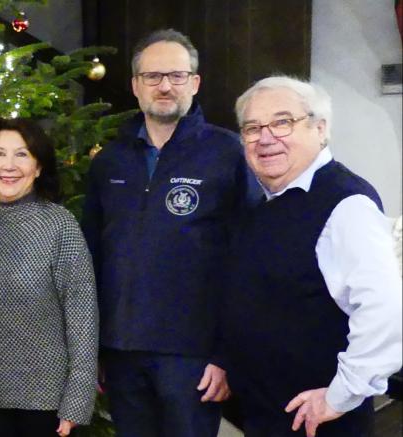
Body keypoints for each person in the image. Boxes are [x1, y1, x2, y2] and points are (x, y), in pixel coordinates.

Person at [79, 29, 259, 437]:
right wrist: (93, 350)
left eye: (177, 76)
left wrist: (226, 354)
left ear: (194, 83)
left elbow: (247, 261)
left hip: (193, 355)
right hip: (121, 350)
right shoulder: (110, 162)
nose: (165, 86)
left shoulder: (228, 154)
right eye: (153, 76)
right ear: (135, 86)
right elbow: (91, 257)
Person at [224, 76, 402, 437]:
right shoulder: (268, 202)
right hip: (270, 413)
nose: (265, 137)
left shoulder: (347, 204)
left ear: (320, 129)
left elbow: (385, 312)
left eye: (282, 122)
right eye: (252, 127)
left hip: (318, 420)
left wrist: (340, 396)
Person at [0, 118, 98, 437]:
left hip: (48, 402)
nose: (8, 166)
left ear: (39, 167)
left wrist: (78, 399)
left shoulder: (60, 226)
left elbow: (82, 316)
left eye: (22, 155)